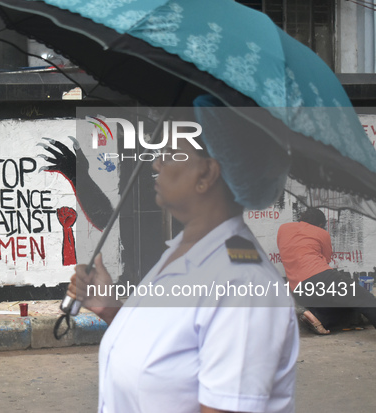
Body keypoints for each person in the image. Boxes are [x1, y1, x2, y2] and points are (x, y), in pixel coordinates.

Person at [67, 96, 299, 413]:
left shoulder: (242, 285)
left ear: (206, 174)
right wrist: (110, 309)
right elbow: (171, 351)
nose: (156, 164)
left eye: (170, 153)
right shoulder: (181, 251)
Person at [277, 208, 376, 335]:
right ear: (320, 224)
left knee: (347, 311)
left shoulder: (284, 228)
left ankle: (317, 317)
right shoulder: (321, 233)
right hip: (320, 277)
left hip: (298, 290)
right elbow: (327, 260)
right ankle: (319, 316)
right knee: (365, 299)